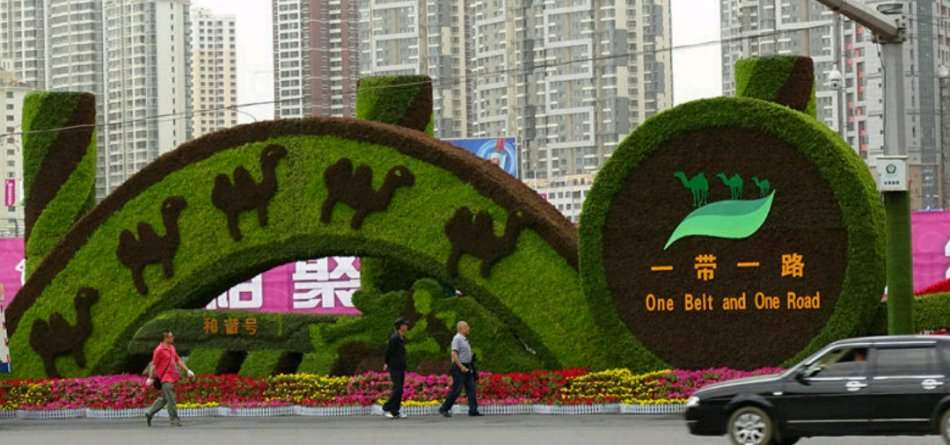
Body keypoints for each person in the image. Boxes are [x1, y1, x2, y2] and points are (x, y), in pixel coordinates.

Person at [145, 330, 194, 427]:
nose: (173, 338)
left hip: (172, 377)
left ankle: (149, 412)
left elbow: (178, 360)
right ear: (166, 338)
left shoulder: (172, 348)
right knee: (171, 399)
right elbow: (153, 364)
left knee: (164, 399)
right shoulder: (159, 350)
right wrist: (150, 378)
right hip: (165, 379)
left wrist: (187, 370)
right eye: (171, 336)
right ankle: (174, 419)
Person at [439, 321, 482, 417]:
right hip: (459, 367)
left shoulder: (464, 339)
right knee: (457, 389)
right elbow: (454, 354)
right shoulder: (457, 338)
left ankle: (473, 410)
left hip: (467, 366)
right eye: (467, 327)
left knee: (471, 388)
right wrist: (461, 367)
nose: (469, 328)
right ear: (461, 328)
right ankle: (444, 408)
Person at [383, 318, 410, 419]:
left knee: (400, 390)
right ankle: (387, 407)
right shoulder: (394, 338)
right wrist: (386, 363)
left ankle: (395, 411)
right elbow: (388, 351)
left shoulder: (402, 338)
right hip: (394, 367)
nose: (406, 326)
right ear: (400, 326)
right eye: (405, 325)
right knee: (398, 389)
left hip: (401, 366)